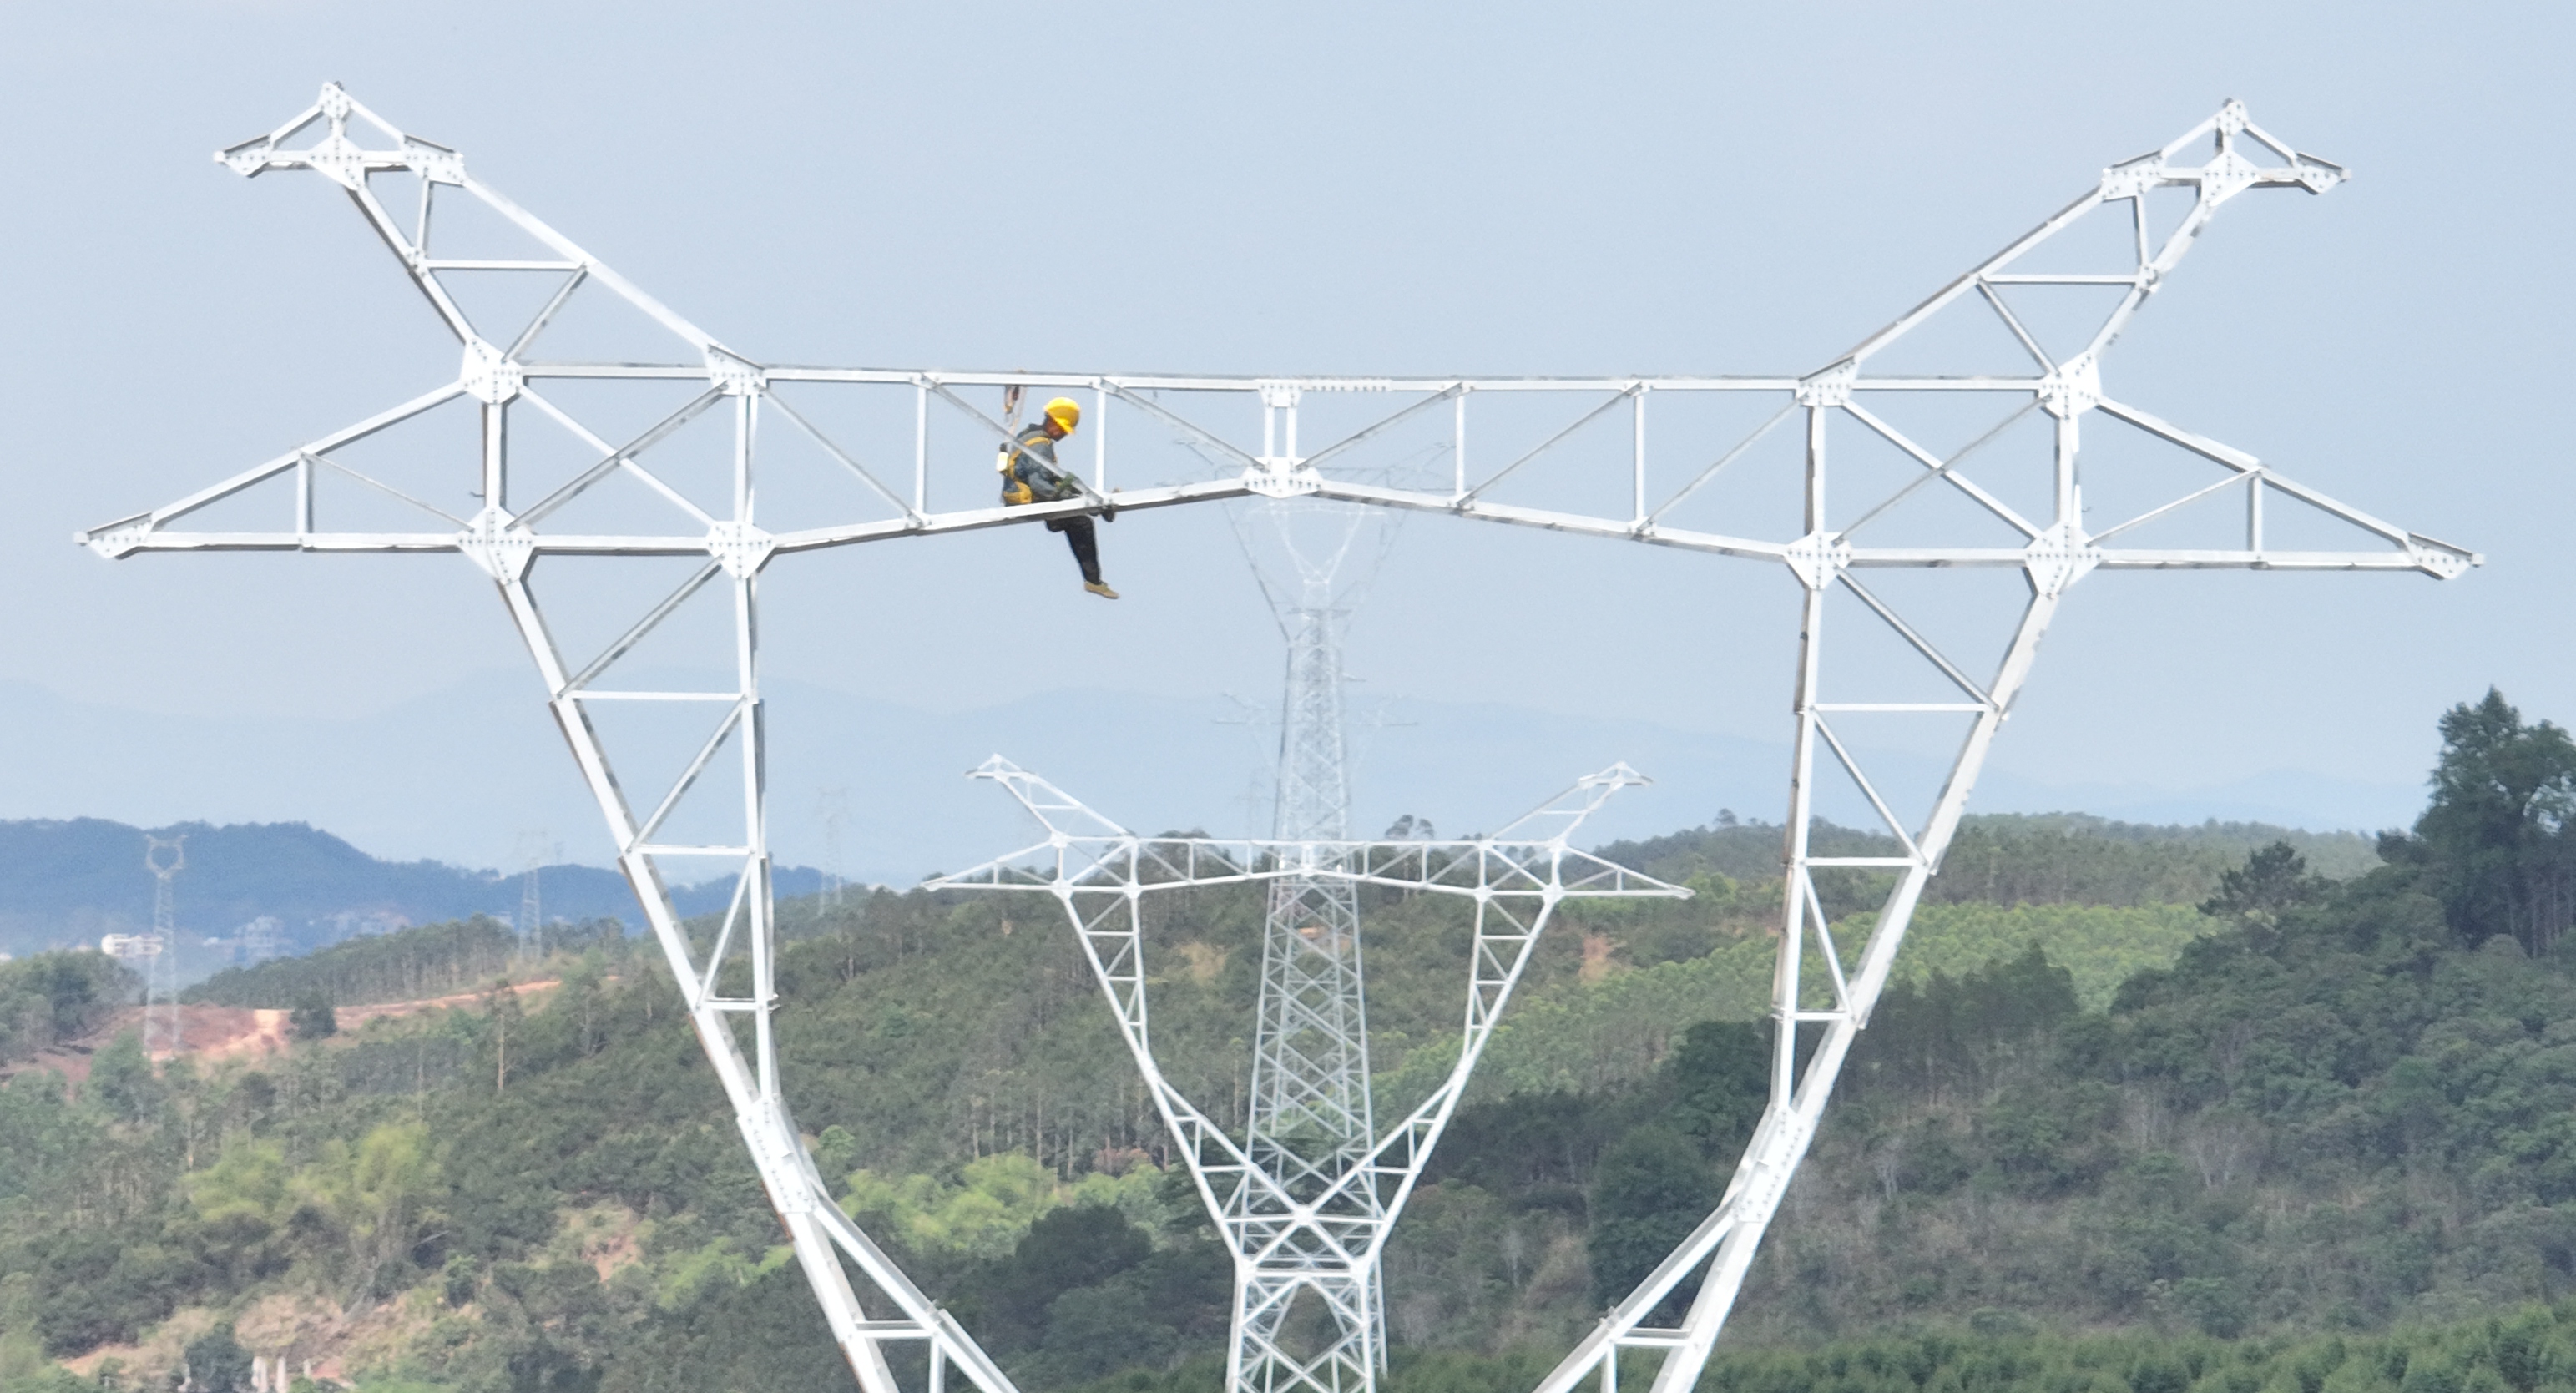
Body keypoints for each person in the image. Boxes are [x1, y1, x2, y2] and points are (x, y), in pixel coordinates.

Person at [998, 396, 1118, 599]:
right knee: (1081, 523)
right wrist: (1068, 497)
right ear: (1052, 421)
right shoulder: (1040, 445)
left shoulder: (1030, 435)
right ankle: (1093, 581)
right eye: (1062, 429)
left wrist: (1073, 492)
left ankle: (1090, 510)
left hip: (1022, 493)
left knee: (1071, 485)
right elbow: (1038, 483)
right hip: (1027, 497)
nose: (1063, 434)